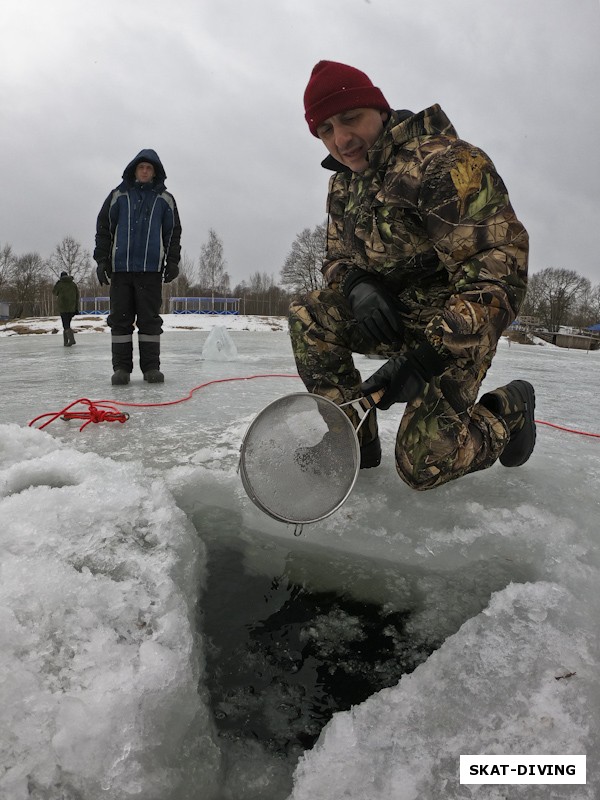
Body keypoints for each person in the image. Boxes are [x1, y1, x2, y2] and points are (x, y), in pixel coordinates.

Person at [289, 61, 535, 491]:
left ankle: (509, 409)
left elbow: (499, 279)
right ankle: (353, 440)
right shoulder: (345, 183)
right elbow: (335, 258)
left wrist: (425, 358)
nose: (341, 140)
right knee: (310, 313)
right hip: (392, 318)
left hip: (454, 331)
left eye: (349, 119)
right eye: (325, 130)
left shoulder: (447, 163)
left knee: (423, 467)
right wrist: (355, 285)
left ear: (379, 110)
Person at [93, 148, 181, 385]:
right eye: (141, 167)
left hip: (150, 271)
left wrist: (172, 261)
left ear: (155, 172)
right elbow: (104, 229)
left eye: (149, 168)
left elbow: (173, 234)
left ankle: (151, 367)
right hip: (121, 270)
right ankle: (121, 368)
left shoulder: (165, 200)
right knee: (120, 319)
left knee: (149, 320)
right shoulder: (118, 196)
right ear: (134, 169)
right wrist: (102, 260)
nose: (144, 171)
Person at [52, 271, 79, 347]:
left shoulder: (60, 284)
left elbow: (54, 292)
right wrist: (76, 308)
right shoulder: (73, 284)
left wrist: (57, 284)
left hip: (63, 307)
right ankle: (66, 342)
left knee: (66, 325)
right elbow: (77, 296)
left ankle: (72, 340)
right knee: (67, 324)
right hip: (72, 308)